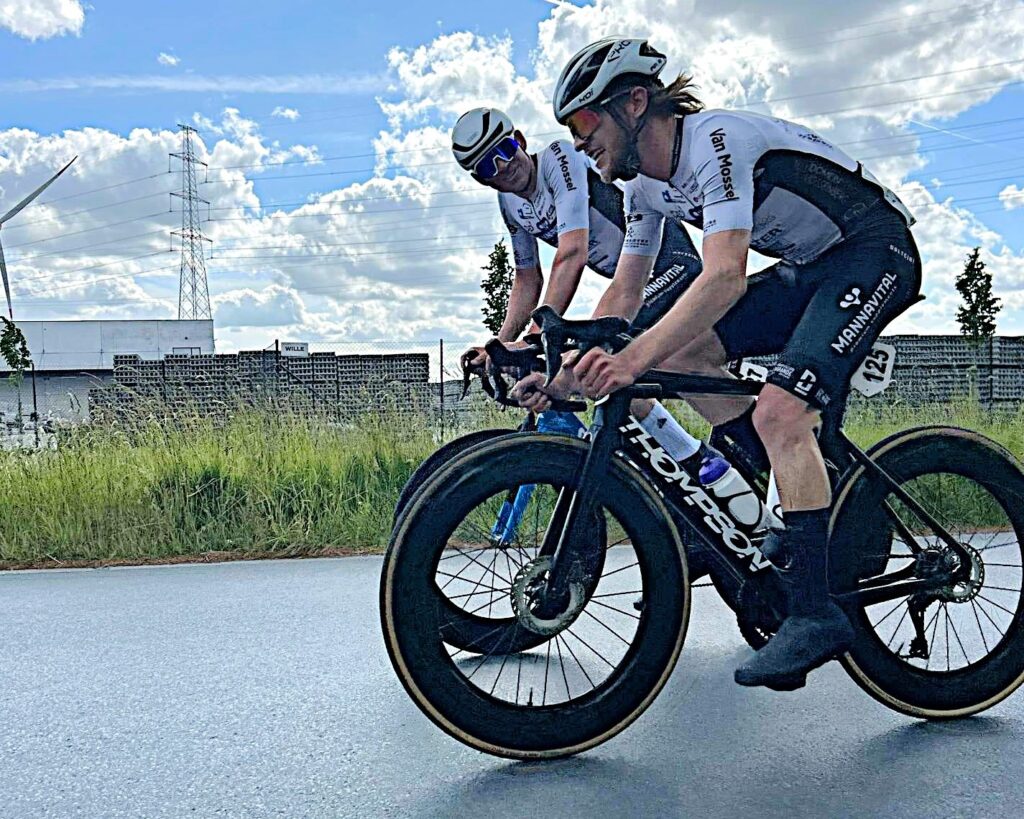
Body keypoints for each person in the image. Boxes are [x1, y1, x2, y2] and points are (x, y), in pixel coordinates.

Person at [535, 38, 922, 691]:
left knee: (780, 411)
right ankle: (788, 486)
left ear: (635, 103)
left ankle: (814, 611)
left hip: (874, 250)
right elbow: (625, 293)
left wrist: (630, 359)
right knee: (685, 351)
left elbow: (723, 277)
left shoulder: (714, 141)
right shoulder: (644, 188)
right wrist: (569, 368)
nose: (578, 141)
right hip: (811, 268)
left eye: (584, 121)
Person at [451, 106, 715, 480]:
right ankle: (688, 463)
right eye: (487, 167)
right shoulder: (509, 202)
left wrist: (534, 339)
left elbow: (571, 254)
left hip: (668, 263)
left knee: (597, 358)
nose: (503, 166)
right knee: (604, 376)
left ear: (520, 141)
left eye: (505, 150)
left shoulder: (560, 158)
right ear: (481, 180)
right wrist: (499, 344)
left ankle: (700, 462)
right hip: (630, 282)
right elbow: (527, 279)